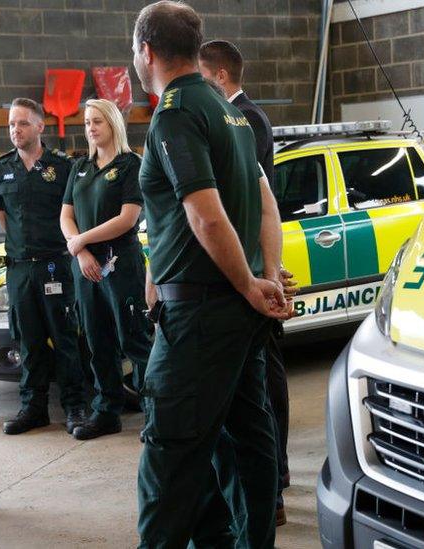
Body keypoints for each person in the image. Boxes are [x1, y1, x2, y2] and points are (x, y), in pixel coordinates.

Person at [131, 2, 293, 547]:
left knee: (170, 455)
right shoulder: (231, 113)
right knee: (246, 441)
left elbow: (204, 213)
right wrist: (264, 274)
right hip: (236, 312)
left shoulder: (175, 113)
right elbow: (268, 205)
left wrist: (253, 284)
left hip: (199, 315)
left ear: (146, 52)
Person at [199, 39, 293, 527]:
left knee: (265, 386)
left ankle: (272, 484)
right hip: (249, 271)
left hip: (254, 272)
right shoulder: (235, 117)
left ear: (218, 77)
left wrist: (265, 271)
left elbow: (251, 202)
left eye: (201, 77)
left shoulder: (245, 120)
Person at [0, 98, 89, 437]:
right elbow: (4, 215)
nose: (16, 129)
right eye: (12, 124)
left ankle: (76, 406)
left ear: (40, 127)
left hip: (56, 265)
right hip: (19, 269)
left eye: (23, 123)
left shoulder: (62, 167)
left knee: (65, 339)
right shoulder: (1, 169)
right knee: (26, 341)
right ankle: (33, 408)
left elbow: (74, 213)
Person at [60, 99, 151, 441]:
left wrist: (81, 239)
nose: (91, 128)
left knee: (135, 338)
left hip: (120, 263)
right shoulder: (80, 167)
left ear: (113, 123)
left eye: (97, 121)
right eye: (86, 122)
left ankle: (154, 412)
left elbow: (128, 218)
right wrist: (80, 250)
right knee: (97, 341)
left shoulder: (130, 165)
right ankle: (106, 411)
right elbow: (65, 215)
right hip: (85, 267)